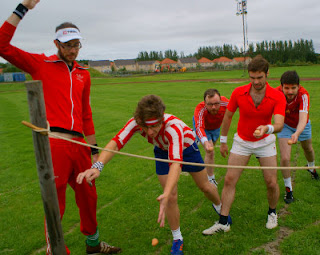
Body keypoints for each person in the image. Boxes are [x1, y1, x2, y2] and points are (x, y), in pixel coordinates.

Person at [0, 1, 121, 254]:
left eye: (76, 45)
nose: (73, 50)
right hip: (54, 144)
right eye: (68, 45)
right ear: (57, 44)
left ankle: (93, 245)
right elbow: (2, 46)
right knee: (55, 201)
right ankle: (55, 249)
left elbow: (86, 113)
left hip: (79, 146)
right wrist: (22, 7)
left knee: (89, 197)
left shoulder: (83, 73)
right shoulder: (40, 64)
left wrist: (94, 149)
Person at [77, 94, 231, 255]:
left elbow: (176, 165)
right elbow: (116, 142)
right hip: (162, 151)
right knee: (170, 197)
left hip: (187, 148)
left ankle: (221, 210)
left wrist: (166, 191)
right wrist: (97, 166)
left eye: (154, 127)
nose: (150, 132)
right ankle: (177, 239)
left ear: (161, 119)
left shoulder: (173, 128)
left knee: (205, 187)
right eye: (145, 128)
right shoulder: (137, 122)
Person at [202, 55, 286, 235]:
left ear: (267, 74)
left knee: (271, 182)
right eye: (252, 77)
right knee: (230, 180)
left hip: (265, 141)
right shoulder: (238, 92)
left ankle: (272, 213)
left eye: (259, 78)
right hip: (242, 141)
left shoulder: (277, 96)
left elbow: (279, 124)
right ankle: (223, 222)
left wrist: (267, 128)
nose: (256, 81)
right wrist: (223, 141)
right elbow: (228, 116)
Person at [276, 70, 319, 204]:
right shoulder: (276, 93)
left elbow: (303, 117)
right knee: (284, 157)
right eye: (287, 88)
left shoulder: (303, 95)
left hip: (303, 125)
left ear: (298, 86)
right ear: (281, 86)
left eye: (293, 88)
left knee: (308, 149)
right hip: (285, 125)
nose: (290, 91)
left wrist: (297, 133)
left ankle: (311, 168)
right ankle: (288, 189)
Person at [193, 89, 229, 185]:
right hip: (203, 128)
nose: (213, 107)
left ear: (220, 100)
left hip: (216, 127)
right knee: (210, 151)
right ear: (205, 103)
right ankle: (210, 178)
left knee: (212, 146)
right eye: (210, 104)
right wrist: (205, 141)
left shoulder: (226, 103)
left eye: (216, 104)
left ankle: (195, 135)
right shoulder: (200, 109)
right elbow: (199, 127)